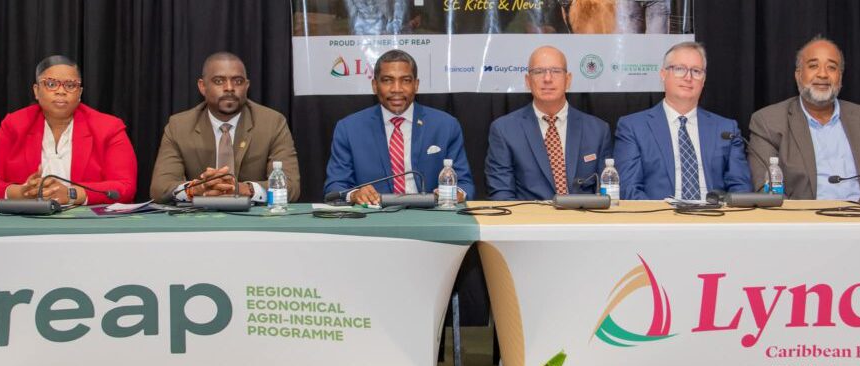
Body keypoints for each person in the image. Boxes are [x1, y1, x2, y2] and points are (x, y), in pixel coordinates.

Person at [748, 36, 860, 200]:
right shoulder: (768, 122)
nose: (823, 74)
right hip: (804, 216)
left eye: (831, 67)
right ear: (798, 75)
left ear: (840, 77)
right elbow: (766, 191)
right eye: (813, 66)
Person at [324, 49, 474, 205]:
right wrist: (355, 195)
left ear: (416, 85)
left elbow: (465, 184)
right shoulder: (349, 128)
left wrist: (457, 194)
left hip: (431, 213)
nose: (397, 89)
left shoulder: (445, 125)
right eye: (387, 80)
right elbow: (335, 186)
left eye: (406, 80)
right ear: (375, 86)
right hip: (373, 215)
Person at [0, 55, 137, 205]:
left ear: (79, 93)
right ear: (36, 91)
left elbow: (125, 186)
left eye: (70, 85)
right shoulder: (14, 125)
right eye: (51, 84)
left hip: (86, 220)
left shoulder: (108, 128)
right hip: (27, 218)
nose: (61, 91)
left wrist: (71, 194)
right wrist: (22, 192)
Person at [150, 52, 300, 203]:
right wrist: (196, 189)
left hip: (252, 215)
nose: (229, 88)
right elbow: (159, 189)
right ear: (202, 86)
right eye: (219, 81)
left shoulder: (272, 123)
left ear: (246, 86)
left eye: (238, 81)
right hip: (200, 215)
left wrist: (245, 189)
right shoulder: (179, 126)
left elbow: (291, 187)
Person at [615, 41, 751, 200]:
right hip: (660, 214)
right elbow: (629, 189)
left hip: (715, 213)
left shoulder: (726, 129)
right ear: (663, 74)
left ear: (703, 80)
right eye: (680, 69)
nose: (688, 77)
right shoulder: (633, 127)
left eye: (696, 71)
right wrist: (663, 215)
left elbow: (741, 188)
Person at [486, 46, 612, 201]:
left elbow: (608, 193)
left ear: (568, 80)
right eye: (538, 72)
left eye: (556, 71)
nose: (547, 78)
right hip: (529, 216)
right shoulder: (504, 130)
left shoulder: (598, 130)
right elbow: (501, 195)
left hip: (584, 215)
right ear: (528, 81)